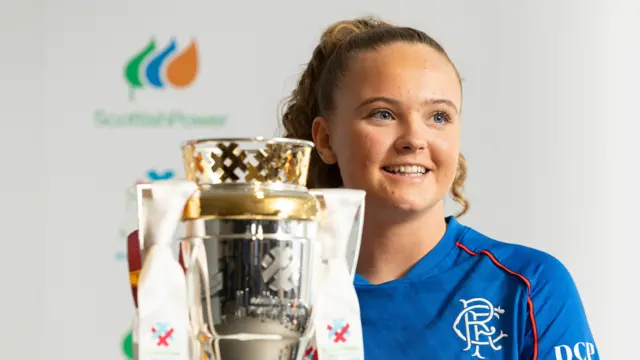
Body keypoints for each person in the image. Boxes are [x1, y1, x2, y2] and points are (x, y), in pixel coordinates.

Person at [281, 17, 599, 360]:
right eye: (383, 114)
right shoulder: (276, 294)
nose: (415, 140)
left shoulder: (529, 286)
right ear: (325, 139)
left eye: (438, 117)